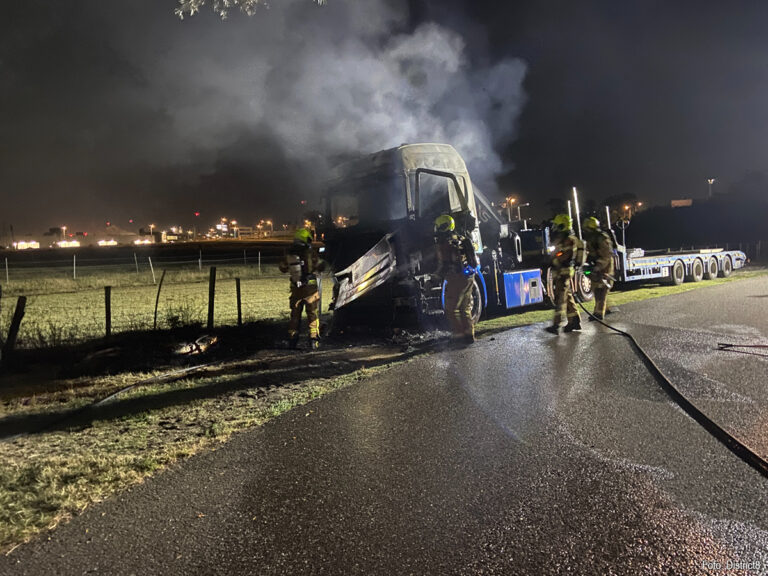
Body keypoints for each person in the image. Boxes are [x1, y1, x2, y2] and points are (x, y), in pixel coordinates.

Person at [279, 228, 326, 350]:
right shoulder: (310, 253)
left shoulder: (289, 254)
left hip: (296, 290)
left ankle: (292, 340)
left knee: (295, 316)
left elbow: (282, 268)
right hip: (310, 290)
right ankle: (313, 340)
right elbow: (319, 266)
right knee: (312, 314)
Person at [434, 214, 477, 344]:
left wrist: (434, 277)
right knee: (465, 307)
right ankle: (469, 334)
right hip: (469, 277)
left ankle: (458, 336)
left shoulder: (445, 244)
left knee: (452, 308)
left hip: (455, 278)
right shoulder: (462, 239)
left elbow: (444, 264)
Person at [546, 213, 582, 334]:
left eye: (557, 225)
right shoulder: (562, 238)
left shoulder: (570, 239)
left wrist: (556, 259)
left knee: (560, 298)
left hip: (565, 271)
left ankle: (556, 324)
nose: (555, 228)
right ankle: (574, 320)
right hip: (560, 271)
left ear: (563, 226)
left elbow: (566, 255)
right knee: (567, 296)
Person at [583, 216, 615, 321]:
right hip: (596, 265)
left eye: (587, 228)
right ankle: (604, 309)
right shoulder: (591, 238)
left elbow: (606, 255)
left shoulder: (602, 238)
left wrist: (598, 266)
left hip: (605, 266)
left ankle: (599, 313)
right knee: (596, 288)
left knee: (602, 289)